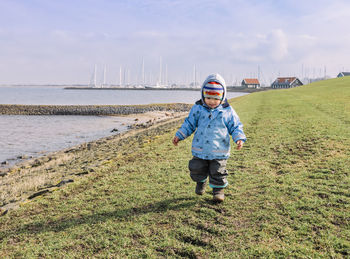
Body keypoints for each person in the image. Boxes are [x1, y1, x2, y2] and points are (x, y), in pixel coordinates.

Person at [172, 74, 246, 202]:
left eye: (215, 98)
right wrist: (179, 135)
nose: (212, 101)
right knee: (196, 168)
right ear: (203, 95)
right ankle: (201, 182)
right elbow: (189, 124)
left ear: (222, 97)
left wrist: (238, 138)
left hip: (219, 150)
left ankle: (218, 191)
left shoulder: (227, 111)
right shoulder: (198, 109)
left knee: (218, 171)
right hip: (200, 148)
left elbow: (235, 126)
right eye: (208, 98)